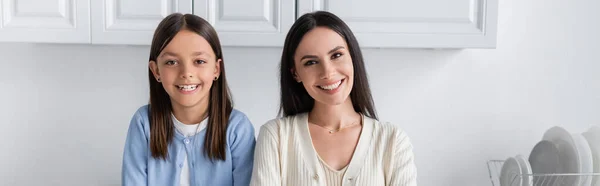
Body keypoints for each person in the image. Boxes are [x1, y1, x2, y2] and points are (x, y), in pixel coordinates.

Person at [251, 11, 417, 186]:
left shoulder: (392, 141)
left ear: (352, 56)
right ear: (296, 73)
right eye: (311, 62)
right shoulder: (276, 137)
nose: (328, 73)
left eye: (336, 55)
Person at [122, 13, 255, 186]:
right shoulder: (144, 123)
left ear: (216, 69)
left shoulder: (237, 128)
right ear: (156, 71)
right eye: (171, 62)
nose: (186, 73)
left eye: (199, 61)